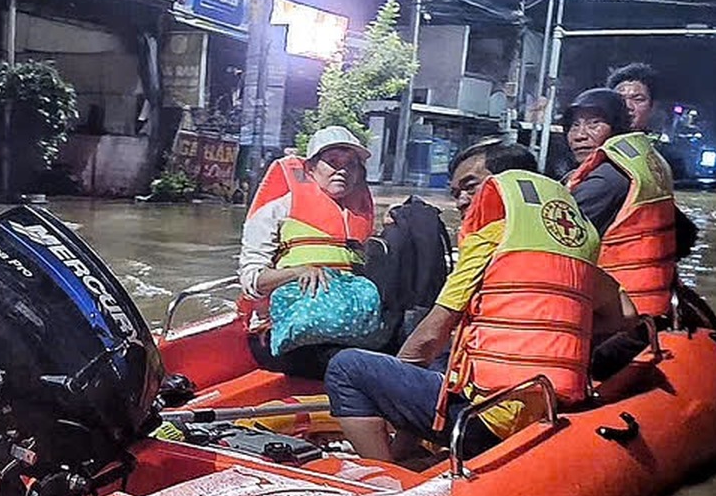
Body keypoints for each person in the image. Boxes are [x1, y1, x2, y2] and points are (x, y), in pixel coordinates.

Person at [323, 140, 626, 462]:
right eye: (455, 193)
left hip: (485, 422)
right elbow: (626, 315)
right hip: (549, 405)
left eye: (470, 187)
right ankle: (407, 452)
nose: (462, 201)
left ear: (506, 185)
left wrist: (393, 391)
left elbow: (426, 340)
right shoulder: (571, 246)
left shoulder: (490, 238)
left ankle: (387, 471)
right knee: (444, 357)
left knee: (346, 368)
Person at [237, 125, 379, 377]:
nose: (342, 170)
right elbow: (252, 282)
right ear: (310, 168)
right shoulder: (276, 210)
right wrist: (299, 271)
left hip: (346, 328)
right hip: (280, 335)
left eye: (351, 164)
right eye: (332, 162)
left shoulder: (359, 217)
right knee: (352, 364)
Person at [561, 86, 693, 318]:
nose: (580, 134)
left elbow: (552, 237)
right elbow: (687, 236)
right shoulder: (643, 166)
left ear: (617, 129)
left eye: (594, 124)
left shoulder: (607, 178)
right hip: (649, 300)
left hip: (621, 310)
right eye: (574, 125)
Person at [607, 61, 660, 133]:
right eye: (620, 99)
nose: (628, 106)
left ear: (652, 107)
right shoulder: (592, 141)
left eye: (638, 99)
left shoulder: (659, 143)